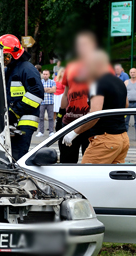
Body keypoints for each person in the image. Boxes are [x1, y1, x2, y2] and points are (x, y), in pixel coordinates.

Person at [63, 50, 129, 164]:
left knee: (87, 177)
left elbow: (95, 114)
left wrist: (74, 133)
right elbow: (126, 105)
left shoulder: (96, 83)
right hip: (122, 138)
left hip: (105, 140)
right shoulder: (119, 81)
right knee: (111, 179)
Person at [0, 34, 45, 160]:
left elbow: (37, 94)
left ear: (15, 54)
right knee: (9, 156)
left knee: (17, 156)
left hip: (24, 121)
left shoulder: (27, 69)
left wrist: (15, 111)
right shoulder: (11, 70)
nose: (4, 60)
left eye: (6, 57)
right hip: (13, 120)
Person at [58, 31, 97, 163]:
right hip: (70, 121)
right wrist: (60, 115)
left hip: (89, 123)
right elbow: (65, 93)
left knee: (89, 162)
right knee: (67, 160)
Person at [35, 69, 56, 137]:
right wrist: (48, 89)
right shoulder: (40, 82)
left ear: (49, 75)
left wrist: (44, 89)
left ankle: (51, 131)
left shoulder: (52, 82)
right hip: (42, 102)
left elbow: (54, 90)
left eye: (46, 74)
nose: (45, 75)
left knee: (51, 117)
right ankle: (41, 131)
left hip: (50, 102)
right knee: (41, 117)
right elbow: (39, 90)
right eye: (44, 74)